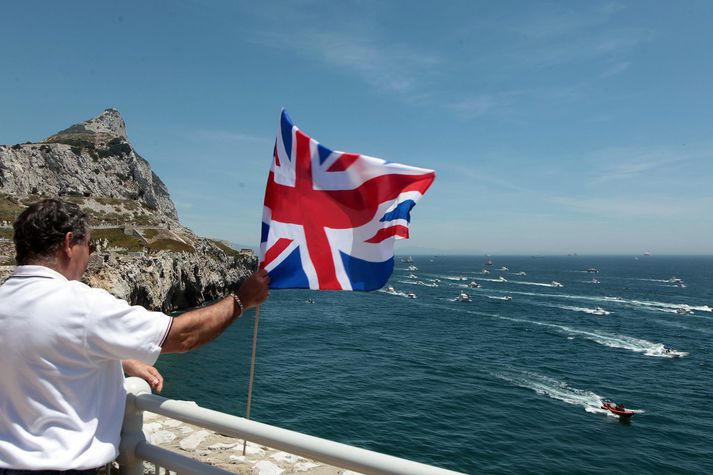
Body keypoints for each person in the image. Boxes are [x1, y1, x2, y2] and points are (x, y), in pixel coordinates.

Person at [0, 199, 270, 473]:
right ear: (70, 243)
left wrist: (119, 360)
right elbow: (183, 336)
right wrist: (241, 300)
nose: (90, 255)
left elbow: (36, 351)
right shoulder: (81, 304)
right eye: (90, 246)